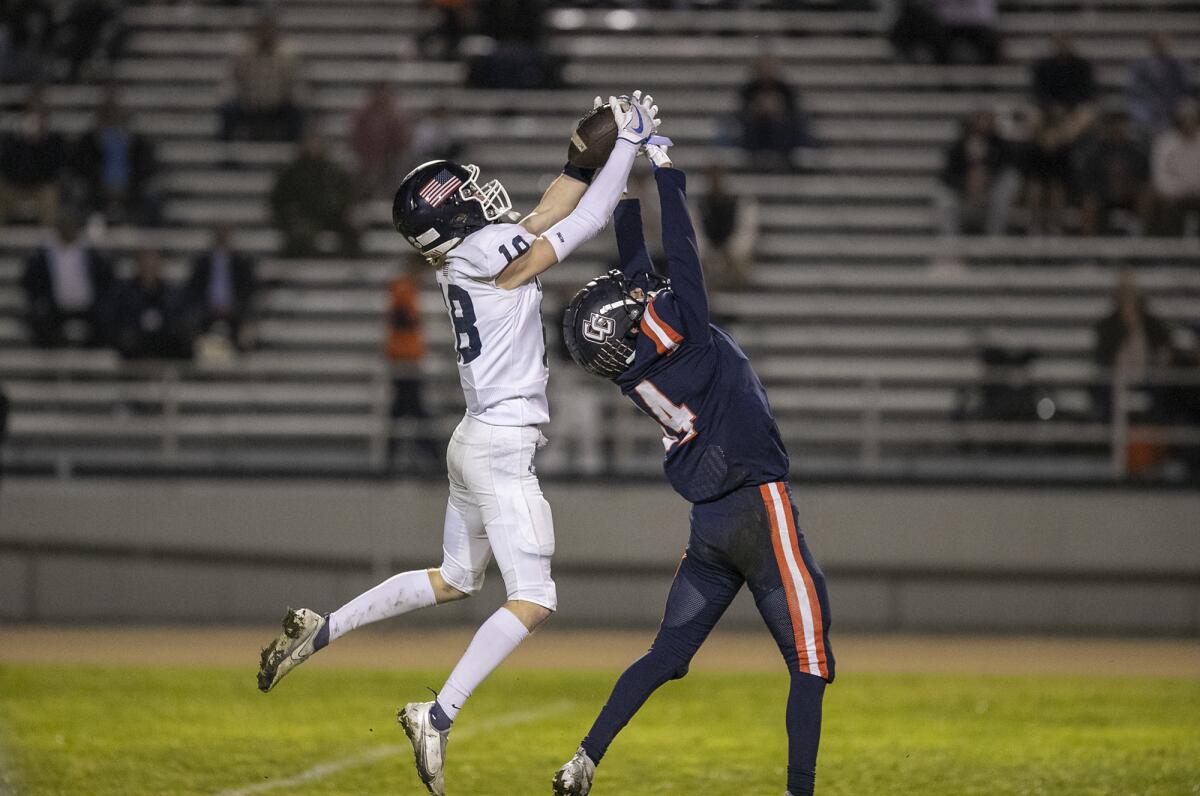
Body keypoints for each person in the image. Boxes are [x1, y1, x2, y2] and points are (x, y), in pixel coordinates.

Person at [255, 92, 664, 796]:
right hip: (501, 443)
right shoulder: (484, 249)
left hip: (476, 436)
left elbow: (545, 213)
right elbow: (588, 219)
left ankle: (323, 630)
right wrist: (627, 143)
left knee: (455, 579)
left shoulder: (469, 253)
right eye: (464, 192)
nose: (479, 192)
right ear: (449, 216)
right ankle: (437, 714)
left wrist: (579, 159)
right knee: (533, 599)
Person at [554, 140, 832, 796]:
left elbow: (637, 270)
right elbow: (680, 253)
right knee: (811, 662)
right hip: (757, 506)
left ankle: (584, 760)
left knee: (666, 658)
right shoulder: (685, 330)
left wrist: (623, 183)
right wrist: (666, 170)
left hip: (709, 523)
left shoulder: (633, 364)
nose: (626, 292)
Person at [20, 214, 113, 347]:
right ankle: (50, 360)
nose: (68, 230)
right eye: (65, 226)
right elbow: (29, 280)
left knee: (106, 318)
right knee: (40, 319)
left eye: (71, 226)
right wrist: (40, 299)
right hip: (55, 307)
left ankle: (90, 358)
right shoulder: (44, 253)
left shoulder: (89, 251)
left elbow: (107, 277)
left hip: (88, 307)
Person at [1093, 270, 1174, 420]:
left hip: (1147, 380)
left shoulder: (1151, 323)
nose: (1128, 296)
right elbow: (1102, 357)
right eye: (1124, 291)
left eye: (1131, 291)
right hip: (1117, 382)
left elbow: (1165, 346)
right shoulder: (1107, 325)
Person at [70, 92, 159, 226]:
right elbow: (80, 167)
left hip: (131, 192)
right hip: (97, 192)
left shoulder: (136, 143)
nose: (112, 116)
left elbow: (146, 168)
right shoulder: (88, 142)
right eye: (108, 112)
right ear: (100, 116)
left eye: (115, 111)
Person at [386, 254, 440, 472]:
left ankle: (395, 456)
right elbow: (401, 320)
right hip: (403, 357)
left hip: (407, 356)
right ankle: (432, 455)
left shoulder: (407, 290)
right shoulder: (402, 289)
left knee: (403, 408)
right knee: (414, 408)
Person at [269, 133, 360, 257]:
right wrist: (290, 214)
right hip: (305, 217)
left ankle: (349, 265)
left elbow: (348, 194)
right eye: (311, 143)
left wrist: (342, 208)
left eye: (317, 144)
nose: (314, 147)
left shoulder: (332, 170)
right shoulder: (292, 172)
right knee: (299, 237)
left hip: (332, 215)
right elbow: (277, 199)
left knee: (353, 231)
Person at [219, 14, 304, 142]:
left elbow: (294, 82)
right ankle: (227, 158)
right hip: (249, 104)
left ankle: (291, 152)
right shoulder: (244, 52)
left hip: (277, 105)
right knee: (228, 109)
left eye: (268, 31)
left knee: (297, 111)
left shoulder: (287, 54)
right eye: (262, 30)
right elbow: (233, 79)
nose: (266, 35)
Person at [1078, 110, 1152, 237]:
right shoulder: (1096, 151)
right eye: (1113, 124)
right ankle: (1088, 246)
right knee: (1089, 200)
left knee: (1146, 193)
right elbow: (1088, 179)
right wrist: (1104, 189)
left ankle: (1141, 236)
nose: (1117, 128)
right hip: (1102, 193)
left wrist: (1128, 187)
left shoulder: (1135, 150)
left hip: (1129, 193)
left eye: (1121, 124)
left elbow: (1144, 176)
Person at [111, 248, 192, 360]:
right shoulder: (126, 293)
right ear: (138, 264)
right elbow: (122, 320)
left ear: (159, 264)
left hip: (163, 340)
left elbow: (174, 320)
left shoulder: (169, 293)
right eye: (145, 261)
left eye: (153, 260)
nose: (149, 265)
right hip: (137, 340)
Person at [186, 223, 257, 350]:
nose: (222, 237)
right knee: (191, 323)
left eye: (225, 233)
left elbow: (248, 291)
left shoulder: (241, 263)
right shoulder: (202, 263)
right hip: (206, 311)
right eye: (219, 233)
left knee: (247, 328)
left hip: (235, 311)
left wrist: (234, 307)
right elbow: (193, 291)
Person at [0, 95, 66, 227]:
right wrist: (25, 142)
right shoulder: (14, 139)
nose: (36, 119)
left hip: (40, 188)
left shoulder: (54, 140)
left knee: (50, 194)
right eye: (33, 113)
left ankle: (46, 242)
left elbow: (53, 170)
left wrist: (38, 142)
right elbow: (6, 166)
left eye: (41, 114)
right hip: (15, 186)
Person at [739, 56, 812, 172]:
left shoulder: (785, 89)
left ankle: (782, 156)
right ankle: (755, 155)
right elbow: (740, 113)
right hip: (756, 127)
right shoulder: (749, 89)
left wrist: (778, 110)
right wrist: (756, 109)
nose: (766, 73)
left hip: (779, 127)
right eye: (763, 70)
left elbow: (794, 112)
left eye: (769, 69)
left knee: (786, 126)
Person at [693, 163, 758, 290]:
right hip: (708, 257)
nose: (715, 181)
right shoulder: (699, 204)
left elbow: (746, 231)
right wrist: (707, 253)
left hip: (733, 257)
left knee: (738, 265)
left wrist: (732, 252)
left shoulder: (739, 202)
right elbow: (695, 231)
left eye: (718, 177)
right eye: (711, 178)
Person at [1128, 33, 1193, 141]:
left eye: (1163, 43)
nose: (1161, 46)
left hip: (1173, 102)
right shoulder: (1140, 65)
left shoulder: (1178, 65)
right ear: (1152, 45)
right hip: (1148, 104)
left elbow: (1184, 88)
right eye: (1157, 43)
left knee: (1186, 110)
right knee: (1140, 113)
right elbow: (1137, 88)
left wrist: (1176, 102)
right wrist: (1153, 101)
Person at [351, 81, 410, 197]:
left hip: (391, 161)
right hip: (367, 160)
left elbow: (403, 141)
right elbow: (356, 139)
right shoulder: (364, 116)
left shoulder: (396, 116)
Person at [1151, 99, 1200, 236]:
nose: (1189, 123)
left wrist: (1194, 190)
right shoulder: (1165, 143)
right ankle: (1170, 251)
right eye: (1185, 119)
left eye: (1192, 119)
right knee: (1166, 205)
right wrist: (1179, 191)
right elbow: (1161, 178)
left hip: (1198, 193)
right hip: (1175, 196)